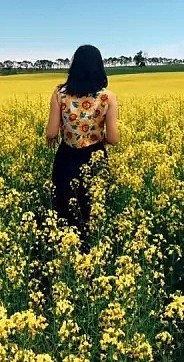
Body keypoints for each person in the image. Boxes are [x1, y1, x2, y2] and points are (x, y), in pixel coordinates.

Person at [45, 45, 120, 250]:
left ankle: (66, 253)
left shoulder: (60, 93)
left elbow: (51, 133)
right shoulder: (108, 97)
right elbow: (113, 139)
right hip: (95, 157)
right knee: (92, 208)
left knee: (65, 209)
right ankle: (92, 253)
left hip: (66, 158)